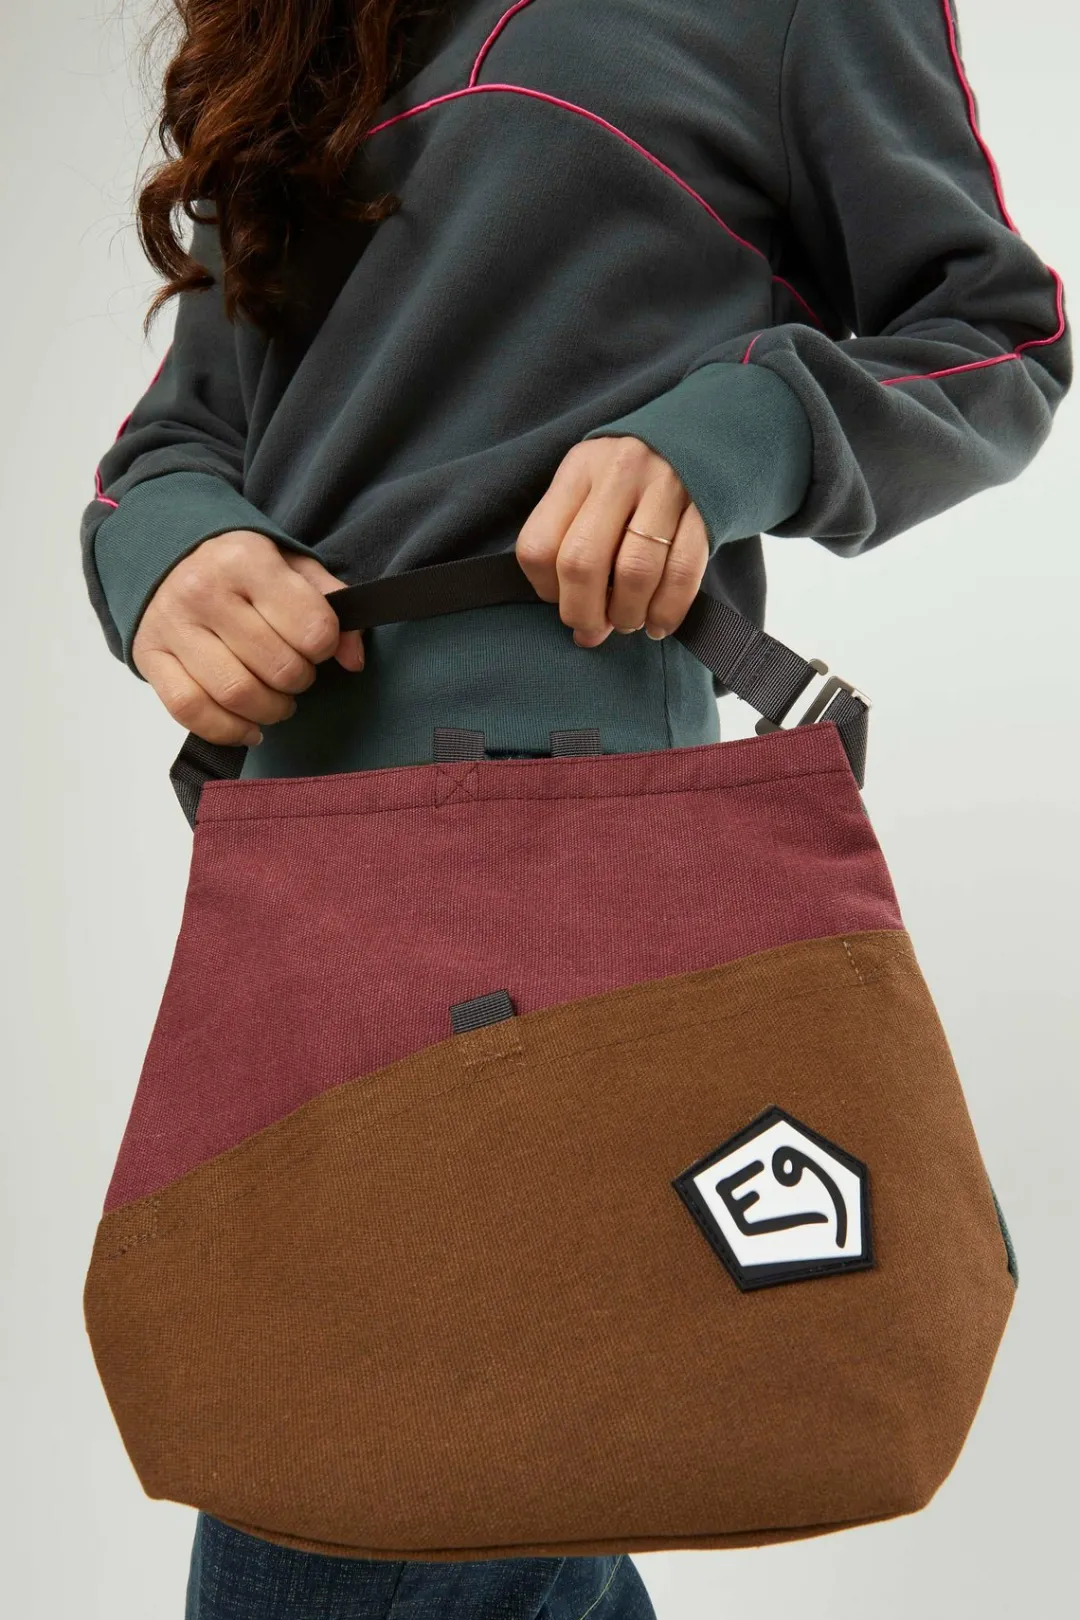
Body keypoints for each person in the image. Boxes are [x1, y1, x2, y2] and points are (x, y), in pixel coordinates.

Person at [79, 2, 1070, 1616]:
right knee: (468, 1490)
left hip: (571, 854)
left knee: (382, 1497)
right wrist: (173, 551)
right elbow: (181, 432)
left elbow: (995, 332)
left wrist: (721, 438)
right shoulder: (307, 36)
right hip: (300, 883)